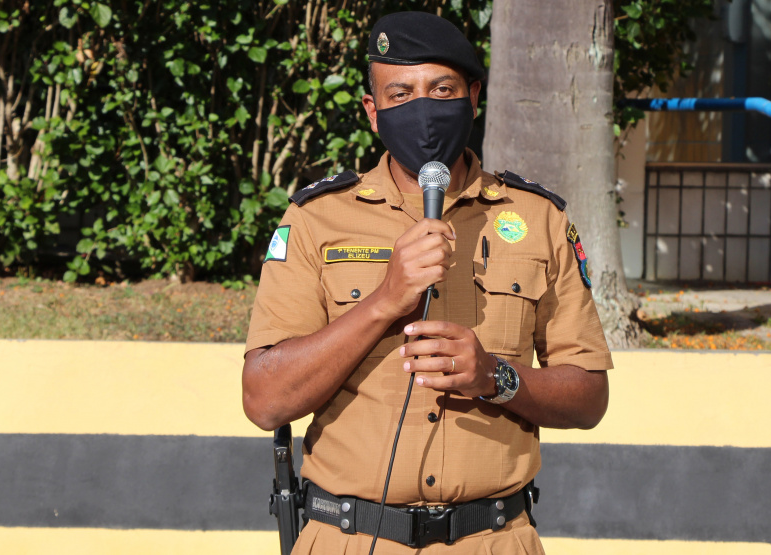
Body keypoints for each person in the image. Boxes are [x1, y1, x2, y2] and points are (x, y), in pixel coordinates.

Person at [243, 11, 612, 554]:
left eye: (442, 90)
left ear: (473, 97)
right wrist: (383, 301)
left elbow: (589, 397)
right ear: (373, 111)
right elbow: (264, 400)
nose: (423, 110)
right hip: (351, 539)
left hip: (493, 539)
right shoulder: (314, 219)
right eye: (401, 94)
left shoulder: (539, 219)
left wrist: (496, 376)